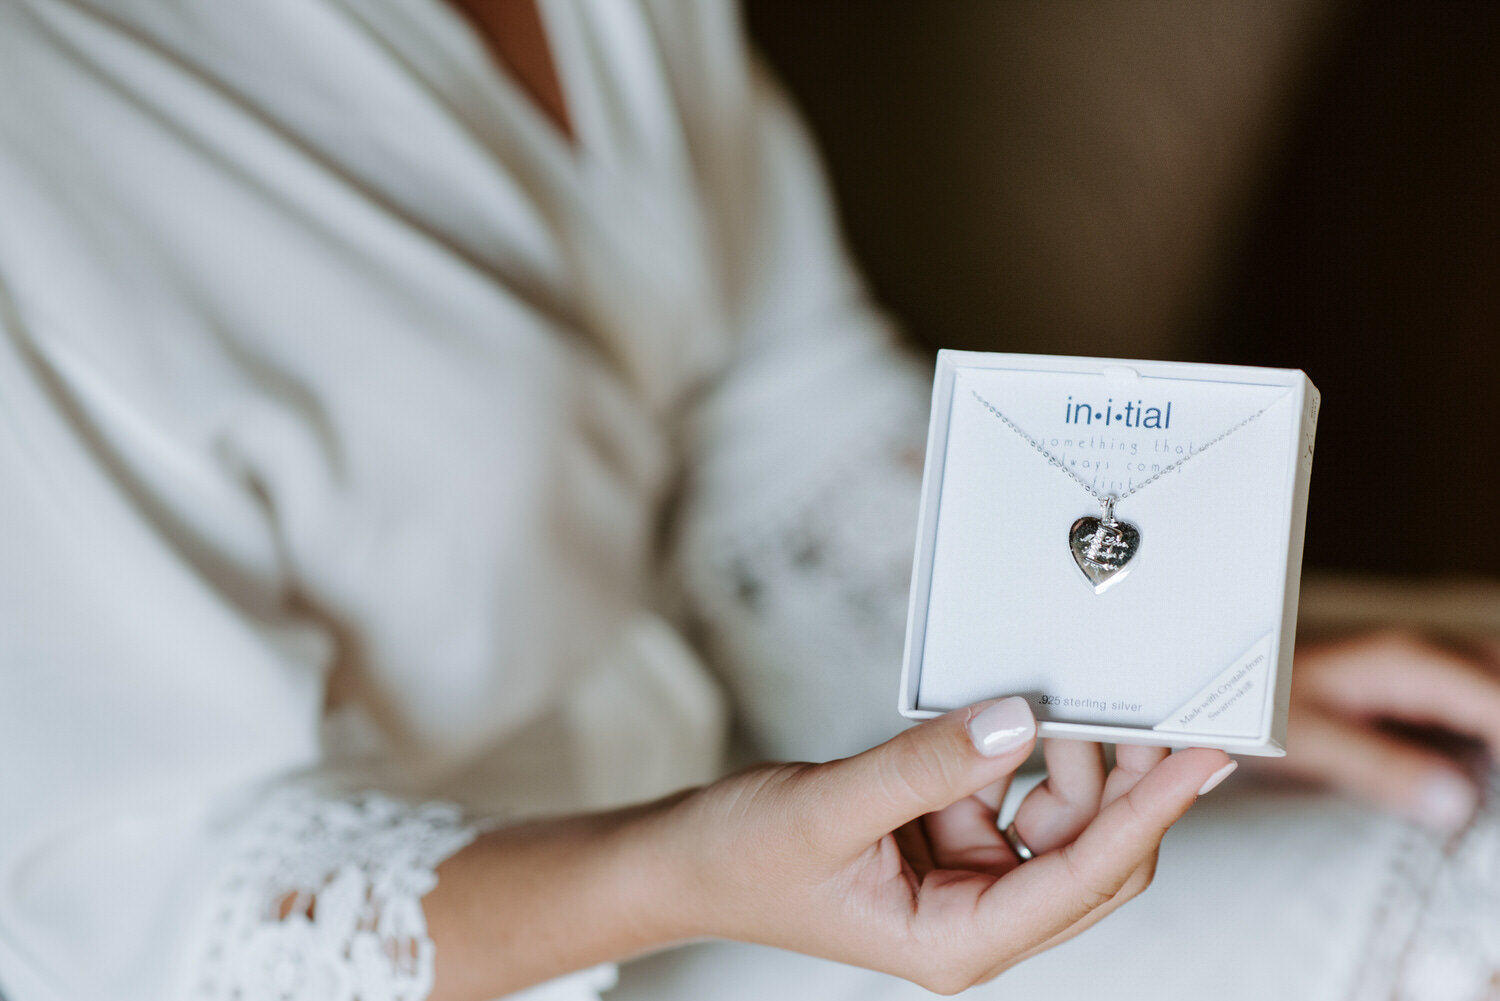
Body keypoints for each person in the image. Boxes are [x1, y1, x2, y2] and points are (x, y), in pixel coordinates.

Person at [0, 3, 1496, 1000]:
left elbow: (780, 430)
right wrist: (682, 868)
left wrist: (1148, 647)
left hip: (747, 806)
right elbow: (127, 912)